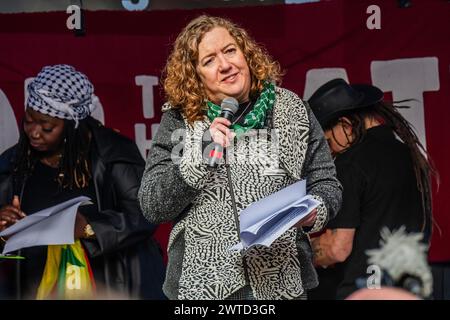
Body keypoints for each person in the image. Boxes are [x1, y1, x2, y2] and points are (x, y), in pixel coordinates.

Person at [138, 15, 342, 300]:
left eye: (230, 50)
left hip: (280, 281)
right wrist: (198, 157)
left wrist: (314, 210)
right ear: (195, 76)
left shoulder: (291, 109)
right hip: (203, 285)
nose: (224, 65)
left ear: (246, 53)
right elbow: (152, 205)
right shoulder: (180, 120)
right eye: (208, 60)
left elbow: (326, 182)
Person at [0, 64, 166, 300]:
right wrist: (3, 228)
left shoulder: (114, 152)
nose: (34, 133)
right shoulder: (12, 164)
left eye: (47, 127)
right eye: (28, 121)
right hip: (37, 289)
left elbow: (146, 212)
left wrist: (88, 227)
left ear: (72, 126)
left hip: (114, 288)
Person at [307, 78, 437, 299]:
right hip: (412, 289)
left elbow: (337, 249)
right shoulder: (408, 154)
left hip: (368, 289)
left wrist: (300, 252)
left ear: (346, 126)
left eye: (327, 143)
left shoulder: (350, 162)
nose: (329, 154)